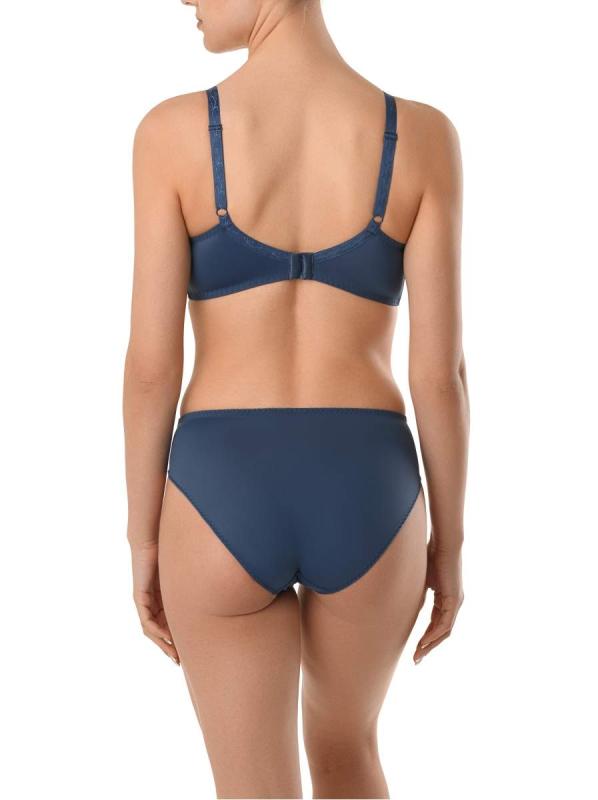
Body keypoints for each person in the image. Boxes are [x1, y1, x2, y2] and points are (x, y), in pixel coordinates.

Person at [123, 1, 468, 797]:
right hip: (370, 489)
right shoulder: (422, 136)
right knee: (349, 750)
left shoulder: (172, 133)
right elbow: (439, 376)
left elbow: (150, 369)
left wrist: (143, 542)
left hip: (220, 486)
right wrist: (448, 547)